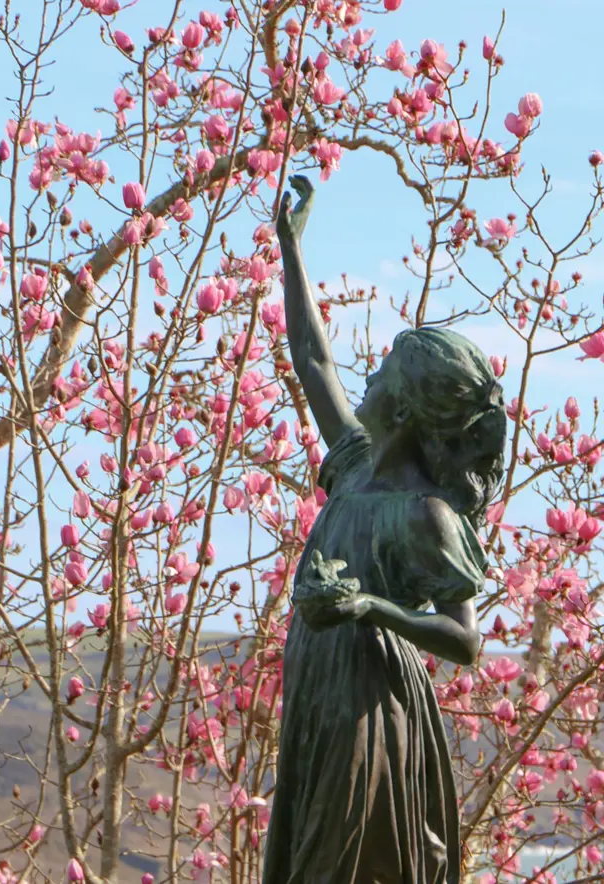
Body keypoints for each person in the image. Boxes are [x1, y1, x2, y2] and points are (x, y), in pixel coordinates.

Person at [262, 176, 508, 884]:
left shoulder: (424, 515)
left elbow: (465, 641)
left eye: (379, 378)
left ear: (401, 413)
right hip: (319, 688)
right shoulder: (355, 466)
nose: (362, 380)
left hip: (369, 709)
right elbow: (313, 361)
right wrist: (291, 247)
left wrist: (369, 607)